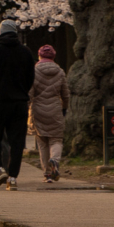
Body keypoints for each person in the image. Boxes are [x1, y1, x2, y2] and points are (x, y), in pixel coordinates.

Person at [0, 20, 36, 190]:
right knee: (17, 141)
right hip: (19, 102)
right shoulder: (26, 52)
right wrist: (21, 92)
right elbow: (30, 78)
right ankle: (13, 177)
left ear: (0, 33)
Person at [31, 45, 71, 183]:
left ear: (39, 56)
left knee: (42, 142)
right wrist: (64, 108)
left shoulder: (34, 71)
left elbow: (29, 93)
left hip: (38, 109)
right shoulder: (60, 72)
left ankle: (47, 174)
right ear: (53, 57)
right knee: (56, 139)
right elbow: (66, 95)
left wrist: (28, 109)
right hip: (55, 109)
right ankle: (54, 160)